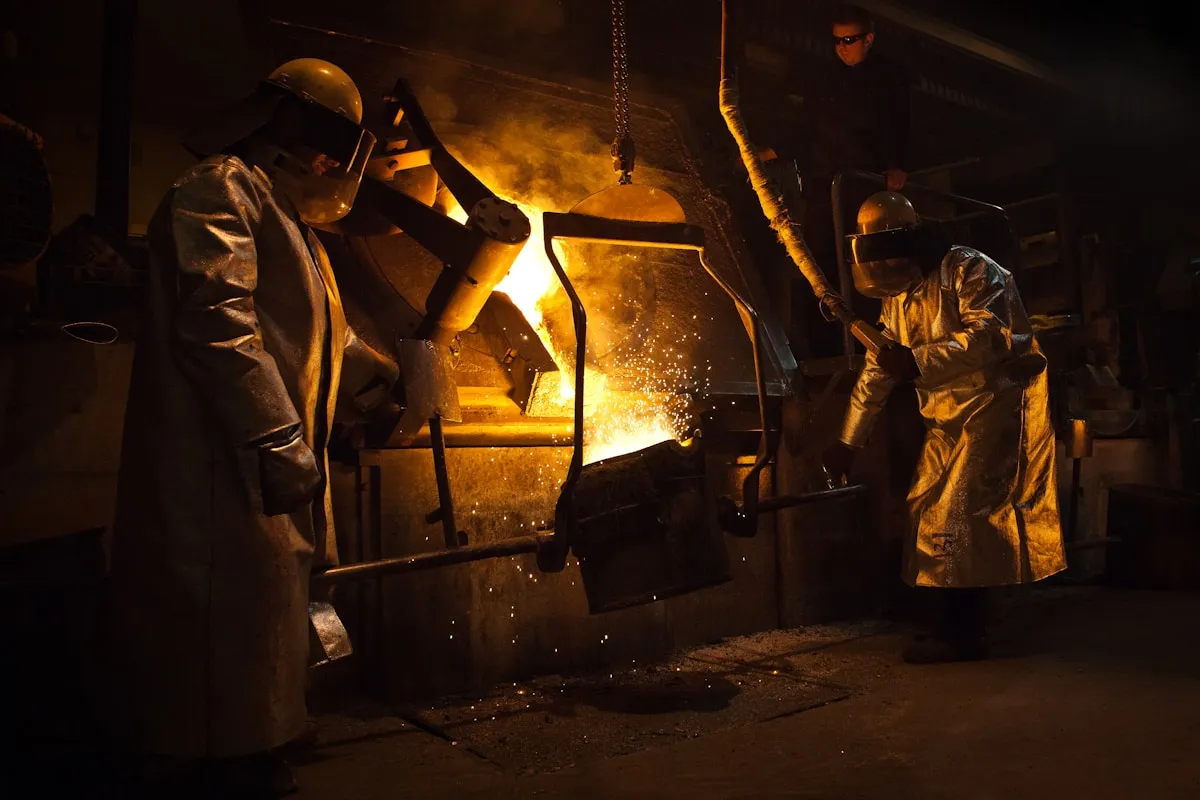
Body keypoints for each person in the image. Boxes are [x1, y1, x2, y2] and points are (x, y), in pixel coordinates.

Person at [108, 58, 399, 797]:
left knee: (261, 610)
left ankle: (252, 742)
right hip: (217, 460)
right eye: (330, 135)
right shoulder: (219, 188)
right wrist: (273, 435)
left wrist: (383, 378)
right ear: (289, 118)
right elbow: (219, 322)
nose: (335, 159)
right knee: (218, 609)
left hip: (264, 462)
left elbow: (322, 335)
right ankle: (215, 761)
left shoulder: (289, 217)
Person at [822, 191, 1067, 664]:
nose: (886, 263)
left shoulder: (970, 269)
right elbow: (880, 368)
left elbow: (990, 336)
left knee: (962, 511)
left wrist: (914, 360)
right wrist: (846, 439)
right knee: (926, 505)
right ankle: (951, 621)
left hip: (996, 404)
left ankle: (966, 632)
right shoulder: (898, 295)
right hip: (945, 413)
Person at [763, 4, 912, 358]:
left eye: (849, 40)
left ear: (869, 39)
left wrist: (898, 166)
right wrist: (769, 152)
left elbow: (900, 127)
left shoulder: (887, 80)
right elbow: (805, 130)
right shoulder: (824, 82)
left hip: (864, 186)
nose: (842, 47)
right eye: (836, 41)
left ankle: (875, 344)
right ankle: (825, 346)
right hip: (824, 188)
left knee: (868, 265)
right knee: (822, 264)